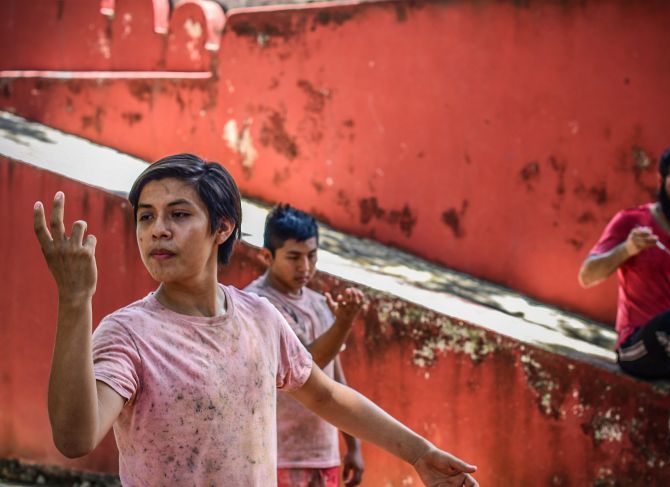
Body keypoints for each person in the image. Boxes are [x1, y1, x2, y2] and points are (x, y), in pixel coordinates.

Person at [33, 153, 478, 486]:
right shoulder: (128, 334)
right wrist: (75, 300)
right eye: (146, 216)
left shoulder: (260, 318)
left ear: (223, 228)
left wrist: (419, 453)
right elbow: (75, 438)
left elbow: (326, 396)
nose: (157, 230)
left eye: (179, 214)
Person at [578, 136, 670, 406]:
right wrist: (627, 249)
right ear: (661, 181)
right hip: (639, 349)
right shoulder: (631, 221)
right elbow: (586, 276)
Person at [245, 204, 365, 487]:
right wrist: (343, 324)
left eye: (312, 256)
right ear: (266, 256)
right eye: (294, 257)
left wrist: (354, 446)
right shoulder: (258, 305)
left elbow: (336, 381)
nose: (305, 267)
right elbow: (302, 368)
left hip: (323, 454)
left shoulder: (320, 304)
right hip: (278, 456)